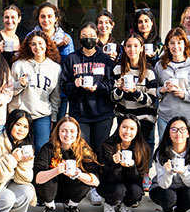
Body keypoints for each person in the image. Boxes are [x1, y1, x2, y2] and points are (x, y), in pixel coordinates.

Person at [60, 23, 116, 153]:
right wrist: (75, 85)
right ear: (79, 38)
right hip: (80, 114)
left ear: (97, 38)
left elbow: (111, 84)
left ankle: (99, 174)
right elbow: (64, 87)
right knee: (83, 153)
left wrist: (97, 87)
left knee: (101, 152)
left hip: (102, 114)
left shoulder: (105, 59)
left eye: (92, 36)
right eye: (84, 36)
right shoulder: (72, 59)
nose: (88, 39)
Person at [33, 116, 101, 212]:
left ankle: (72, 206)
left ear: (78, 133)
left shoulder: (83, 149)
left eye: (72, 131)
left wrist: (79, 174)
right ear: (58, 132)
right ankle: (50, 207)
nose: (68, 135)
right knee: (46, 176)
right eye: (64, 131)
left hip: (71, 191)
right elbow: (37, 178)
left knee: (85, 178)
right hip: (51, 191)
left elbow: (96, 182)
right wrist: (56, 171)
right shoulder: (47, 148)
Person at [153, 27, 190, 141]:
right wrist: (162, 90)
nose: (176, 47)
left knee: (186, 154)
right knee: (164, 152)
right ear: (167, 45)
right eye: (172, 43)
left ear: (185, 44)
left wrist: (185, 94)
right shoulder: (160, 65)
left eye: (179, 43)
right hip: (165, 117)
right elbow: (153, 90)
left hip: (187, 119)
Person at [10, 31, 62, 152]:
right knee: (20, 149)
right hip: (21, 114)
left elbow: (55, 97)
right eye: (33, 44)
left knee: (41, 148)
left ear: (47, 45)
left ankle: (39, 171)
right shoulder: (18, 65)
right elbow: (9, 91)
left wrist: (53, 118)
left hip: (42, 115)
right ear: (29, 46)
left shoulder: (55, 68)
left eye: (40, 43)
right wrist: (20, 84)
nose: (37, 47)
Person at [97, 115, 150, 212]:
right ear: (119, 128)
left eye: (132, 129)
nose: (127, 131)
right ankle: (109, 204)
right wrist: (115, 163)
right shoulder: (108, 145)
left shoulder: (142, 148)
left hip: (131, 181)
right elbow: (107, 177)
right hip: (110, 183)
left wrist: (131, 167)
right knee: (118, 190)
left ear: (137, 131)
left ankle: (126, 205)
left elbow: (138, 177)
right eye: (124, 127)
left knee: (136, 191)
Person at [150, 116, 190, 212]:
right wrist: (168, 172)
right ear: (168, 133)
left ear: (188, 133)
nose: (178, 133)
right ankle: (166, 211)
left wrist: (183, 172)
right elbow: (163, 185)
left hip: (184, 188)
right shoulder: (161, 153)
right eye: (174, 129)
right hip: (162, 189)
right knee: (169, 197)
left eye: (182, 129)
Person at [110, 33, 158, 145]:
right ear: (124, 49)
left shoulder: (149, 72)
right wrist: (120, 89)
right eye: (129, 46)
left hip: (144, 121)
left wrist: (135, 92)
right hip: (124, 119)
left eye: (136, 46)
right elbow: (113, 98)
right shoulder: (118, 69)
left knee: (141, 157)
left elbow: (151, 100)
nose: (132, 49)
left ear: (142, 48)